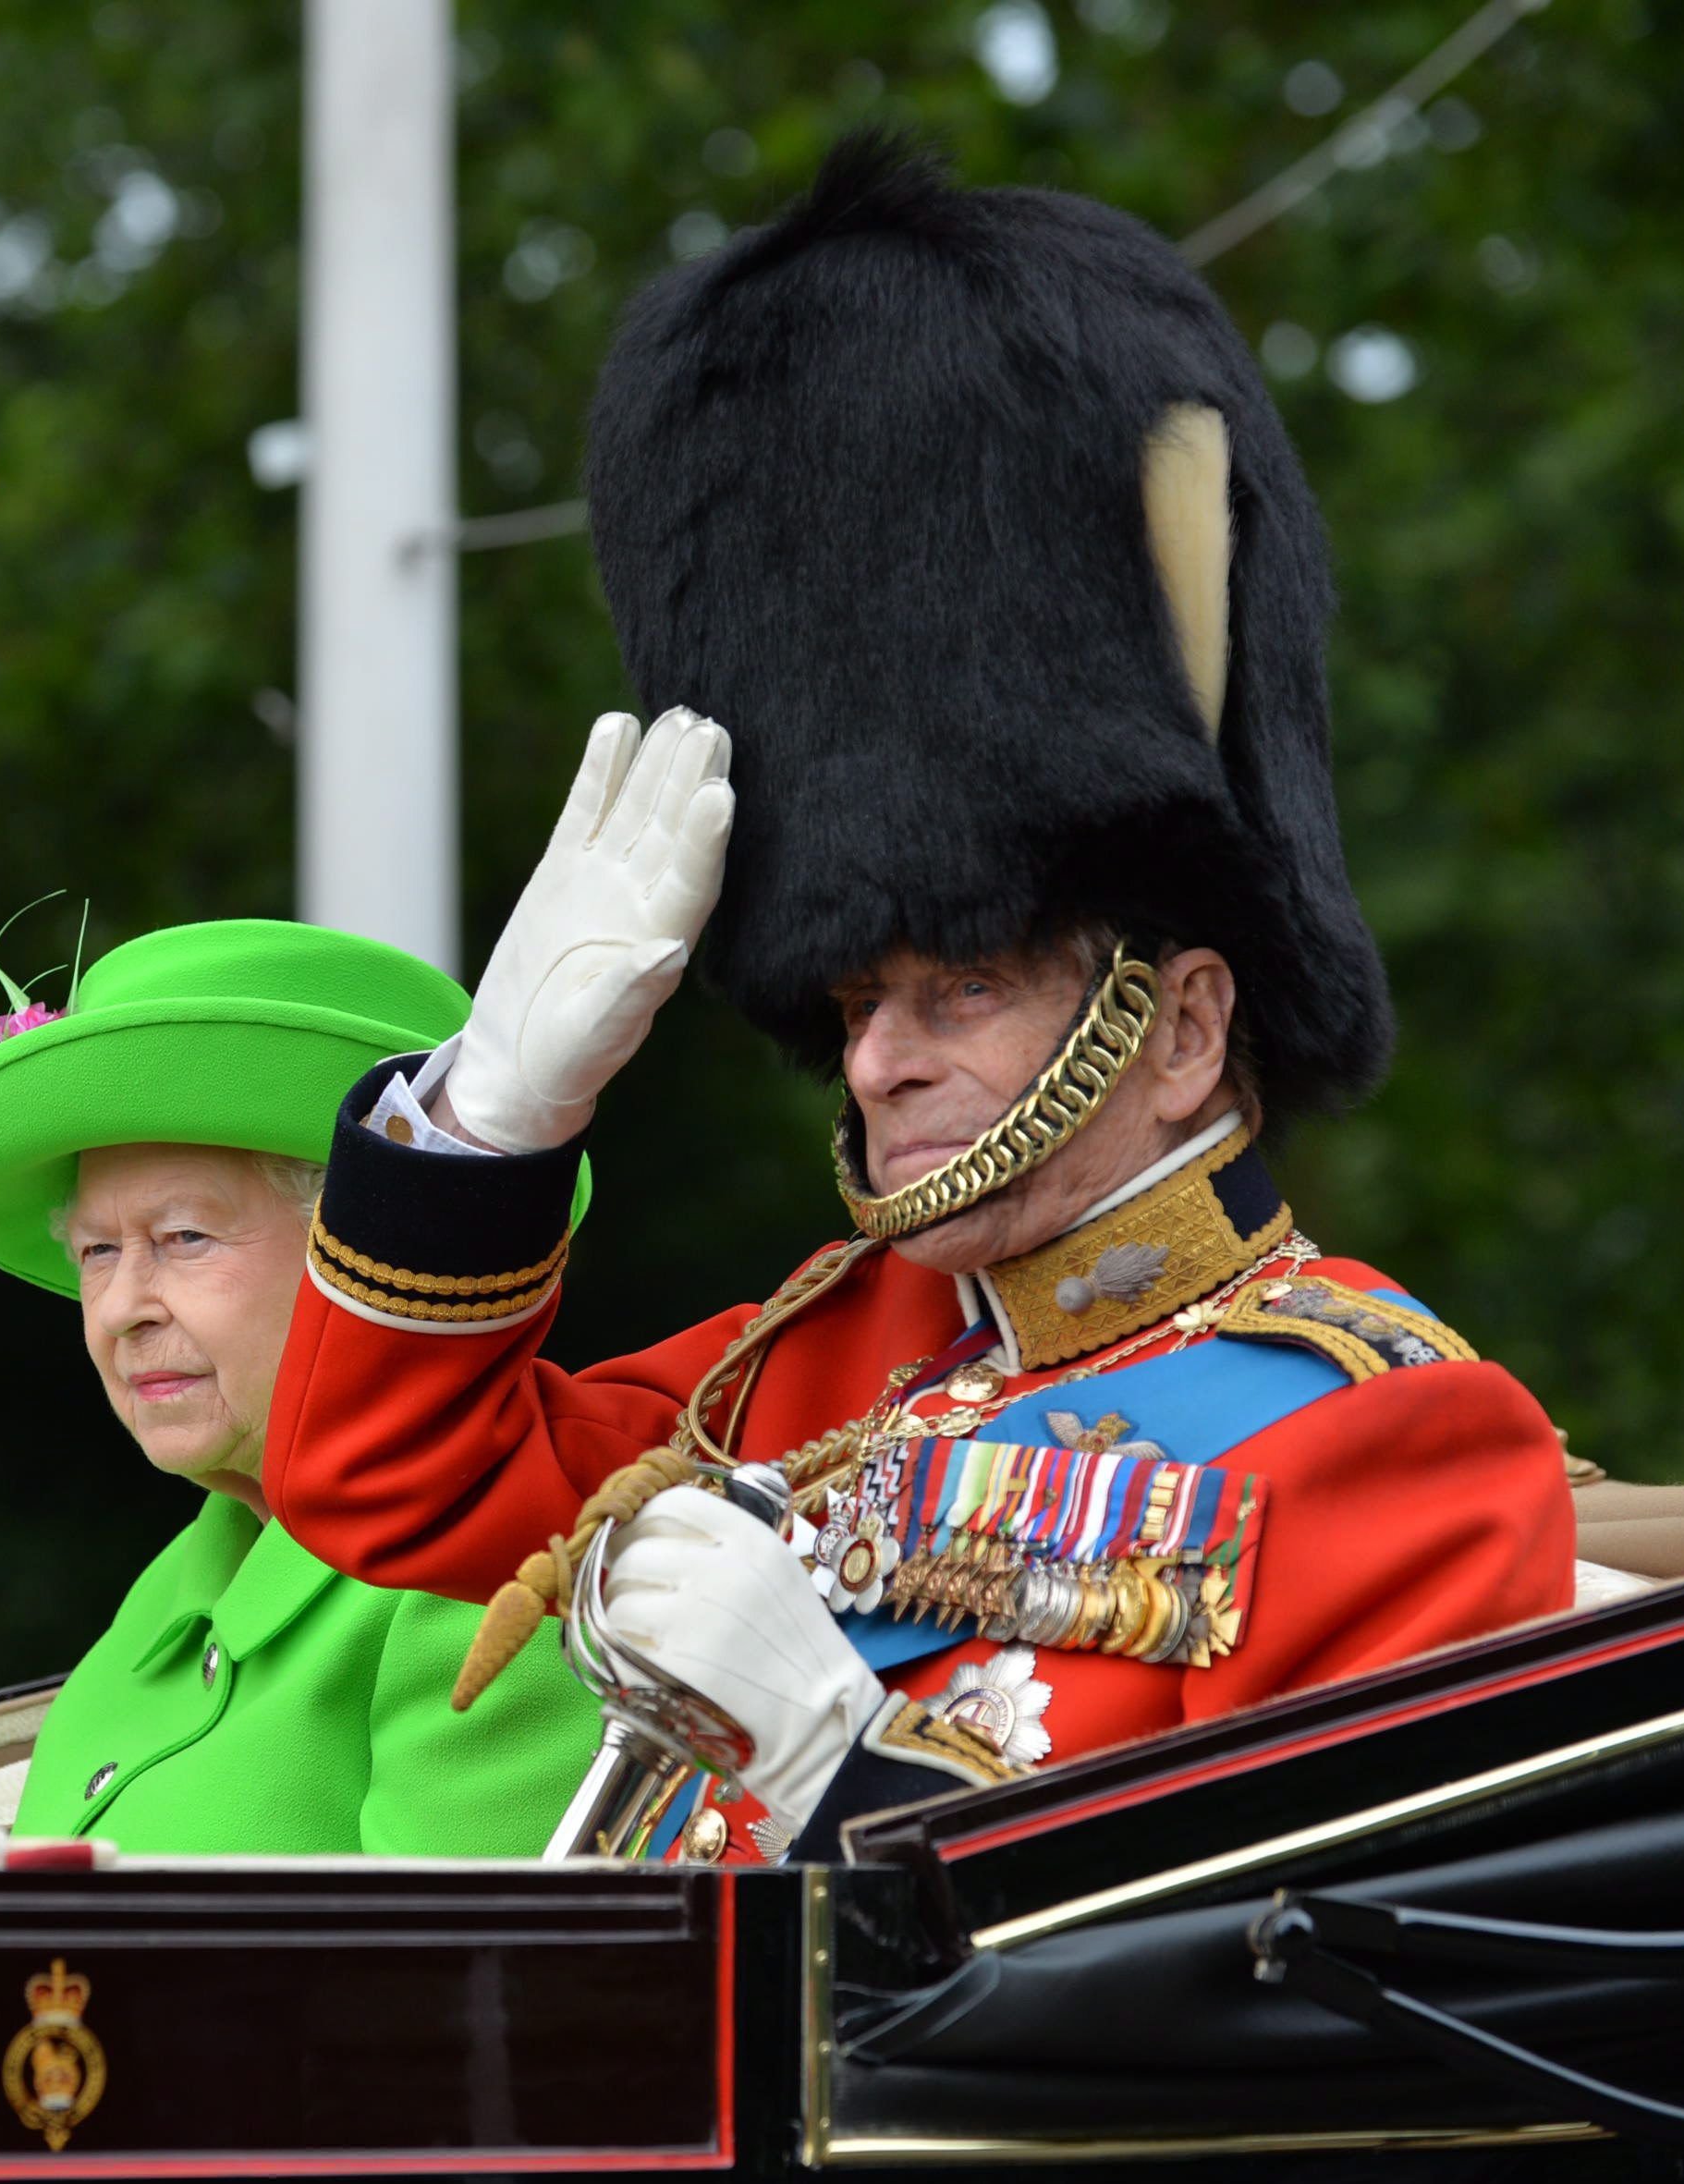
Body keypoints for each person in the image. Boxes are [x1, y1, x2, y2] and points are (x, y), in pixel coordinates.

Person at [262, 136, 1576, 1863]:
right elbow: (389, 1479)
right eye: (854, 993)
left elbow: (1295, 1984)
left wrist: (838, 1764)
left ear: (1180, 1029)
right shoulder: (820, 1364)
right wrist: (495, 1113)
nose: (877, 1056)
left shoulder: (1392, 1433)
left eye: (960, 983)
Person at [0, 916, 607, 1855]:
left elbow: (454, 1987)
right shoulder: (157, 1608)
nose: (121, 1308)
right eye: (98, 1250)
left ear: (357, 1256)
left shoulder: (490, 1570)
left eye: (184, 1237)